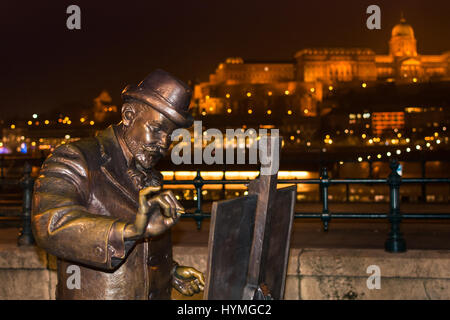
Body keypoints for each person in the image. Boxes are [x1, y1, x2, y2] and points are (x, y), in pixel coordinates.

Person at [32, 69, 204, 299]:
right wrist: (132, 230)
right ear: (129, 115)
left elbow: (143, 246)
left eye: (170, 135)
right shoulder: (77, 158)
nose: (164, 143)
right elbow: (50, 224)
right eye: (156, 129)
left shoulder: (151, 176)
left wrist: (169, 272)